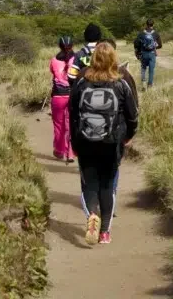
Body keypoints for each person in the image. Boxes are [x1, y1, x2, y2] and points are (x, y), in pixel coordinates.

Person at [69, 42, 138, 246]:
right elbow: (133, 116)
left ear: (93, 58)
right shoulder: (121, 82)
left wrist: (74, 142)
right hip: (112, 142)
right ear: (113, 59)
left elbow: (73, 115)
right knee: (107, 185)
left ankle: (92, 214)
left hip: (85, 141)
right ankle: (105, 232)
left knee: (90, 185)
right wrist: (128, 136)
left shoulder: (82, 81)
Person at [49, 36, 75, 162]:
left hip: (58, 96)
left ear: (59, 46)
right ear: (72, 45)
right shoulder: (77, 59)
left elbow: (53, 73)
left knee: (59, 125)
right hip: (72, 96)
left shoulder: (54, 60)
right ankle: (70, 153)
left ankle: (60, 151)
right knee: (71, 124)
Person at [66, 23, 104, 87]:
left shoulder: (80, 54)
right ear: (99, 36)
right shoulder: (107, 52)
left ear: (85, 37)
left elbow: (72, 77)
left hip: (86, 91)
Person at [133, 19, 162, 88]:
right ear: (153, 25)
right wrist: (154, 47)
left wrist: (138, 51)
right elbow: (160, 45)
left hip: (143, 54)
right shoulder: (156, 34)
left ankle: (143, 83)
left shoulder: (141, 33)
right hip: (152, 54)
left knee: (143, 68)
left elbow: (136, 44)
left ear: (146, 24)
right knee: (151, 70)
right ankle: (150, 85)